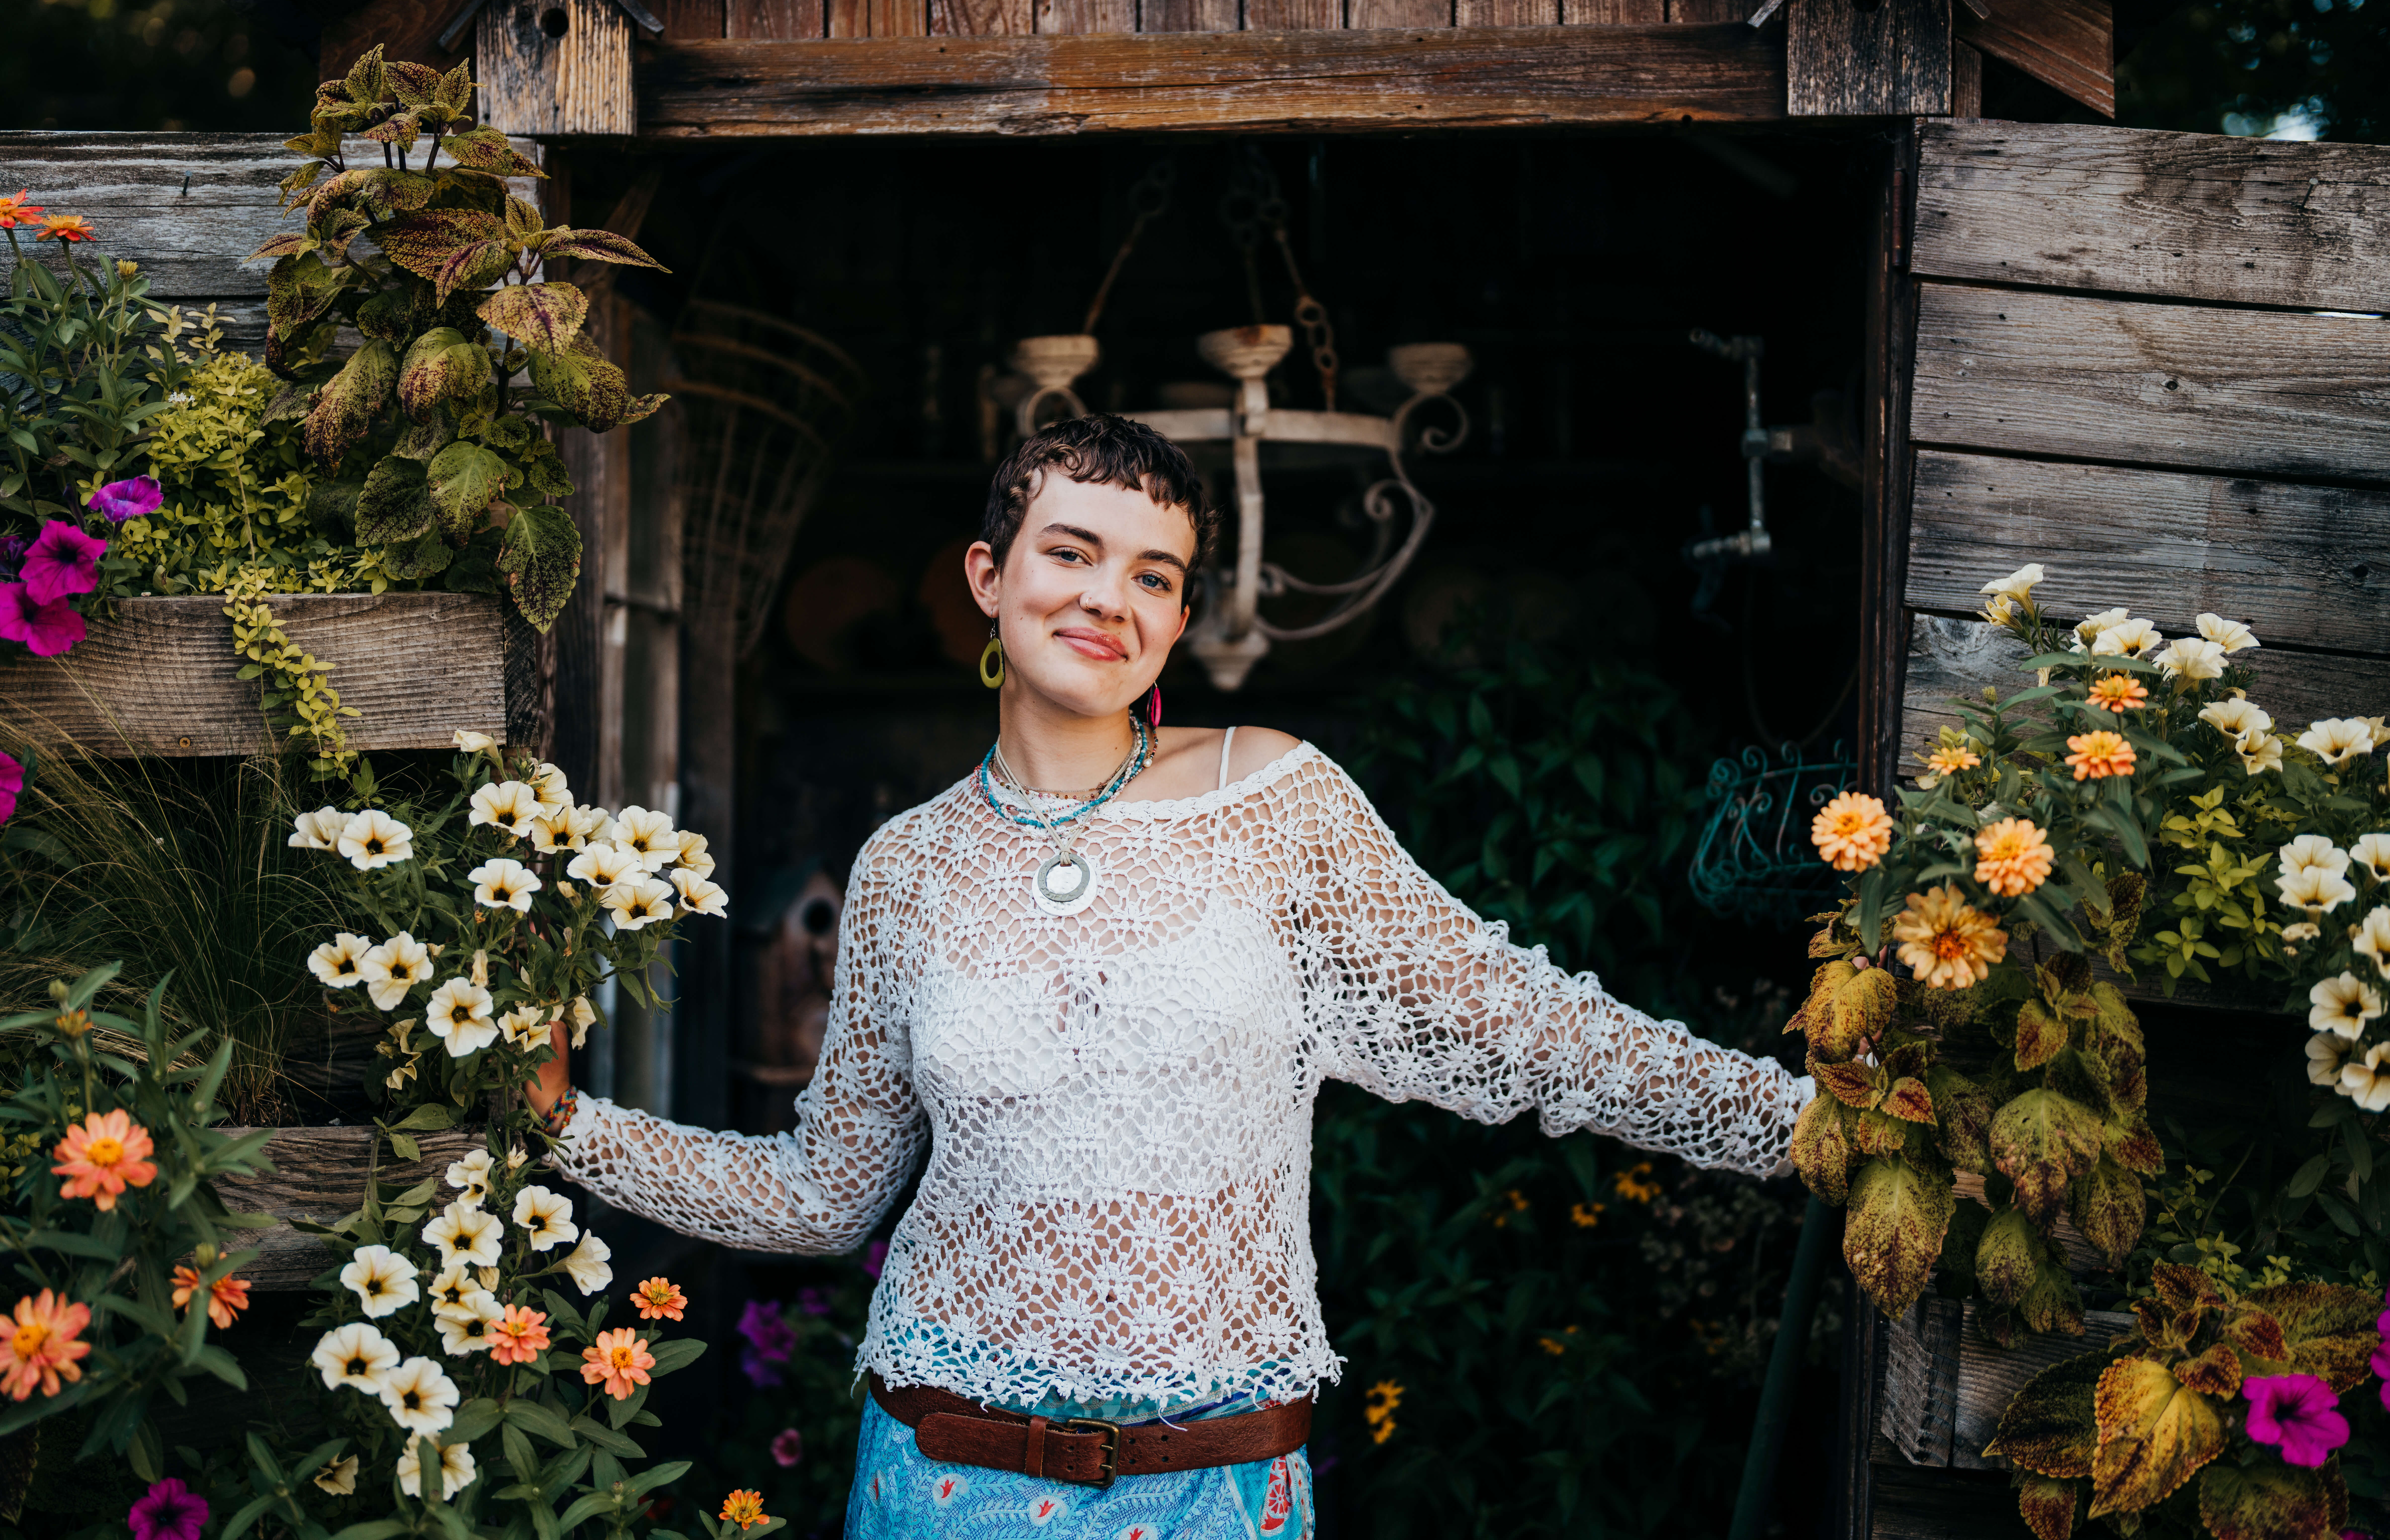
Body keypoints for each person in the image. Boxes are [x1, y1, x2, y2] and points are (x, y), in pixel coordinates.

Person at [526, 414, 1814, 1538]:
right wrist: (562, 1124)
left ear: (1180, 622)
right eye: (1071, 553)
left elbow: (1524, 1025)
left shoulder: (1275, 801)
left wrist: (1800, 1129)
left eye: (1154, 576)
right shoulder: (906, 868)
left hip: (1219, 1486)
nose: (1109, 600)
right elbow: (825, 1196)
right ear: (988, 576)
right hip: (946, 1479)